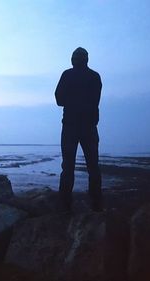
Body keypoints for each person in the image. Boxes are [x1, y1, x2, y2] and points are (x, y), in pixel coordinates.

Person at [55, 47, 102, 213]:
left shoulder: (69, 75)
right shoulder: (93, 77)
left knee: (70, 167)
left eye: (76, 57)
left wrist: (72, 100)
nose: (75, 60)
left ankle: (66, 205)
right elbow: (59, 99)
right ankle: (95, 205)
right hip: (84, 126)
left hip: (74, 126)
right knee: (91, 167)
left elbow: (60, 99)